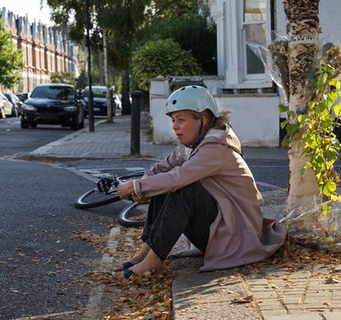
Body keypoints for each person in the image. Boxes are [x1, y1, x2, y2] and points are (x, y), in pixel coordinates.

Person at [113, 85, 286, 279]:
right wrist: (144, 182)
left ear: (202, 119)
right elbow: (165, 167)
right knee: (162, 183)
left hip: (238, 238)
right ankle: (145, 253)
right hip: (221, 230)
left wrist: (135, 186)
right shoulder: (193, 145)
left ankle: (153, 261)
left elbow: (178, 178)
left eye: (181, 120)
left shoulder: (216, 149)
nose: (175, 126)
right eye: (173, 120)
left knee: (184, 188)